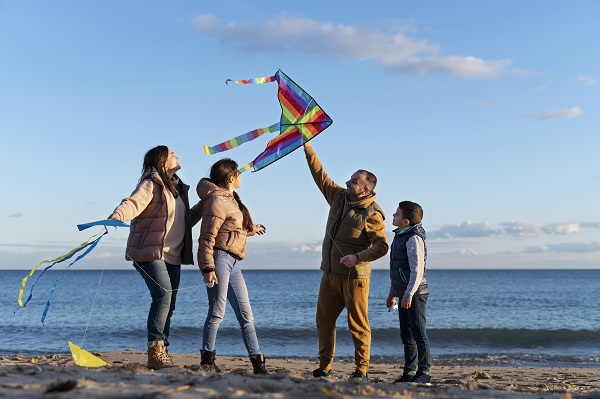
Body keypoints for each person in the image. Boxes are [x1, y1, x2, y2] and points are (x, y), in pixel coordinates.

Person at [108, 145, 202, 370]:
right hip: (149, 251)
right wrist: (118, 214)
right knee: (163, 295)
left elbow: (185, 220)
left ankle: (162, 351)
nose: (177, 155)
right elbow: (134, 203)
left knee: (169, 303)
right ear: (161, 161)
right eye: (172, 154)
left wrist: (203, 206)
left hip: (173, 255)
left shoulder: (179, 189)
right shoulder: (151, 183)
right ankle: (155, 350)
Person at [303, 141, 389, 381]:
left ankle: (361, 369)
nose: (348, 182)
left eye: (353, 181)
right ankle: (324, 366)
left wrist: (358, 257)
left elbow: (382, 246)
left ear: (364, 189)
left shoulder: (372, 213)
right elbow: (320, 176)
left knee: (358, 325)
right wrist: (308, 148)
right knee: (323, 322)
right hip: (329, 274)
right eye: (350, 179)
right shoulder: (339, 197)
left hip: (355, 279)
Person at [196, 158, 269, 375]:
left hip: (234, 262)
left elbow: (231, 232)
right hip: (219, 260)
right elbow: (207, 237)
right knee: (217, 312)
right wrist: (207, 268)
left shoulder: (232, 199)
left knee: (246, 315)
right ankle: (207, 361)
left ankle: (258, 363)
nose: (240, 177)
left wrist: (251, 230)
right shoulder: (218, 200)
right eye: (238, 173)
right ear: (230, 177)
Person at [385, 201, 431, 384]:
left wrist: (409, 294)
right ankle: (409, 372)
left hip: (416, 293)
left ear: (406, 221)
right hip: (403, 292)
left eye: (396, 214)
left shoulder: (413, 238)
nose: (393, 216)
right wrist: (392, 293)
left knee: (419, 332)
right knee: (406, 334)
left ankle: (424, 372)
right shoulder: (400, 237)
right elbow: (398, 270)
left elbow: (417, 270)